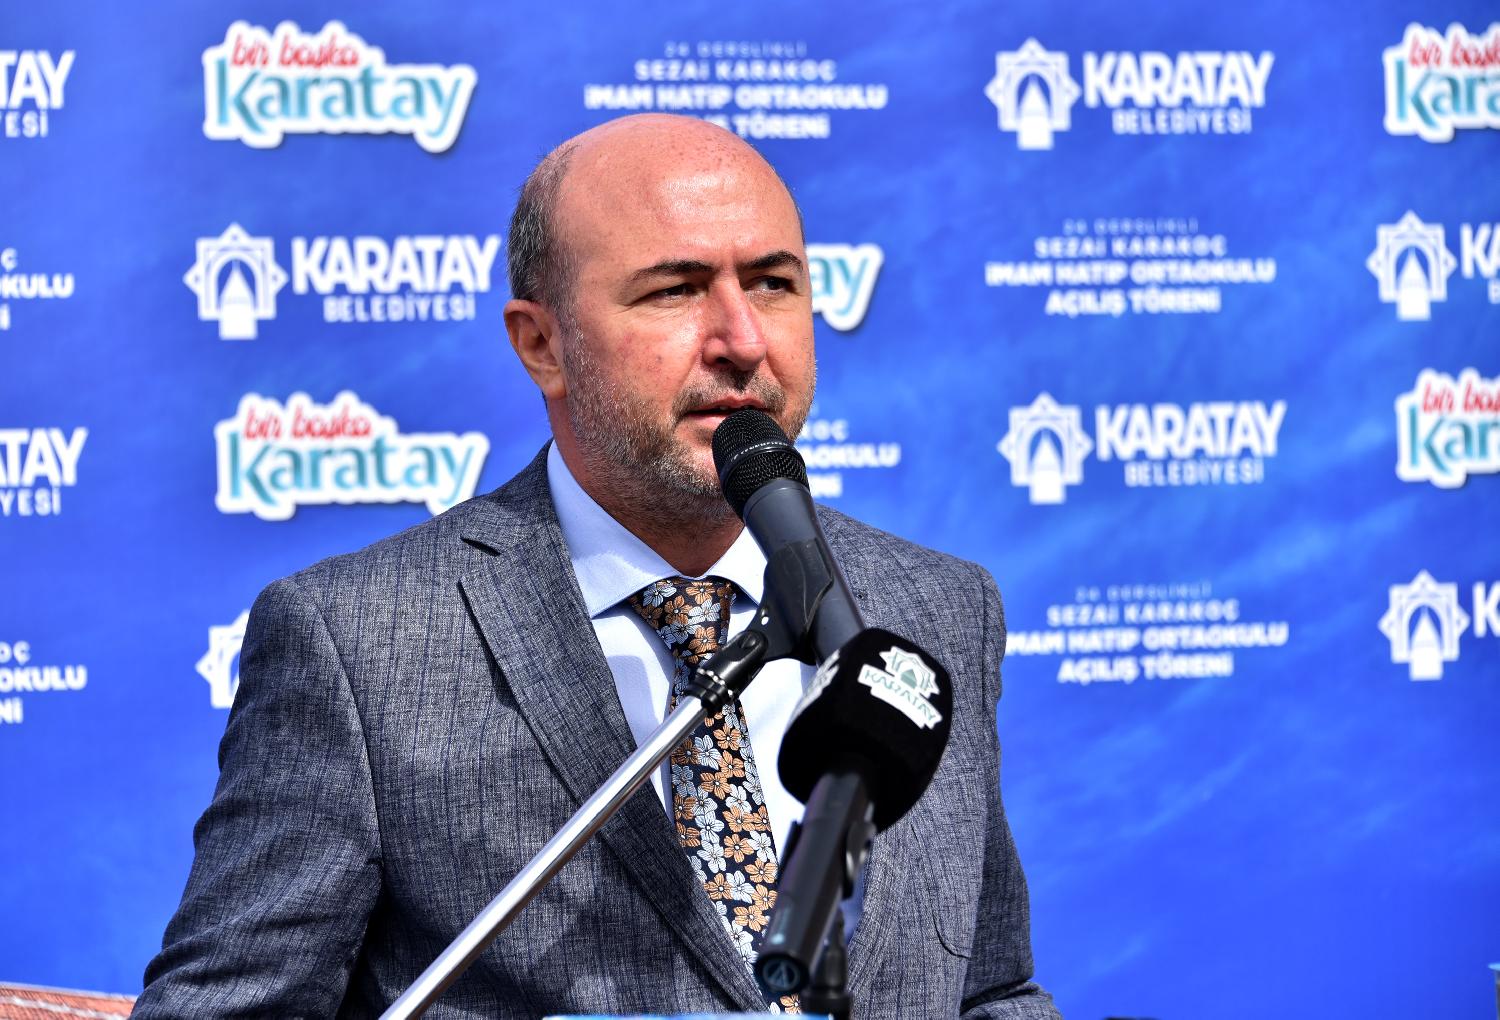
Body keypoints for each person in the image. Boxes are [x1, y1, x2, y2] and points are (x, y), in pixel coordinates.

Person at [134, 114, 1059, 1018]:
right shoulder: (360, 645)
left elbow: (990, 991)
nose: (743, 339)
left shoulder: (935, 609)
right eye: (676, 291)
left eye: (774, 283)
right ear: (542, 345)